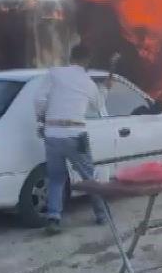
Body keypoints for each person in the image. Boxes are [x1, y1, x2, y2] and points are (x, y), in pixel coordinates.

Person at [34, 43, 118, 235]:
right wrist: (105, 88)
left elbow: (38, 100)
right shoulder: (88, 82)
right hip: (76, 135)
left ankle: (53, 218)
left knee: (56, 178)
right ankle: (102, 215)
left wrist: (42, 117)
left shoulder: (54, 74)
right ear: (87, 60)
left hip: (52, 134)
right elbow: (98, 105)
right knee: (89, 177)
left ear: (71, 57)